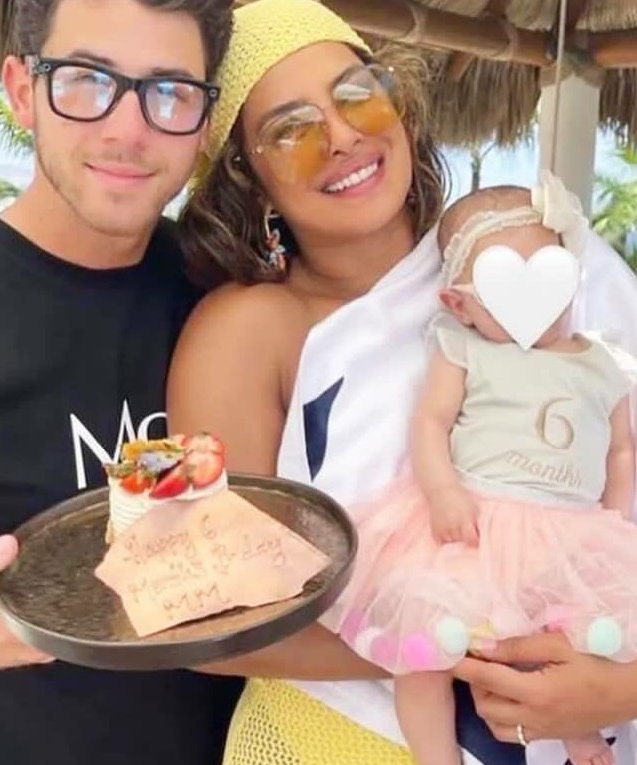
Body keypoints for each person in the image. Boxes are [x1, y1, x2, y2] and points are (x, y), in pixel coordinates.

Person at [169, 0, 637, 763]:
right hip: (331, 740)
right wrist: (452, 640)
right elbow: (210, 617)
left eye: (359, 95)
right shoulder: (249, 331)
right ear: (246, 176)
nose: (342, 136)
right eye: (291, 130)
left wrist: (623, 686)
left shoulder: (543, 261)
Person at [0, 1, 244, 764]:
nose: (128, 129)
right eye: (87, 80)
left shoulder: (225, 298)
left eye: (169, 92)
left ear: (203, 121)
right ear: (22, 91)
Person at [323, 176, 637, 765]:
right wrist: (442, 491)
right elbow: (430, 424)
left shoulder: (601, 363)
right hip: (477, 524)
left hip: (569, 531)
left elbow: (621, 449)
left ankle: (581, 732)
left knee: (571, 639)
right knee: (422, 653)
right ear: (458, 304)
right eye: (502, 289)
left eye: (550, 275)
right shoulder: (464, 349)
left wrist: (615, 522)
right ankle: (434, 754)